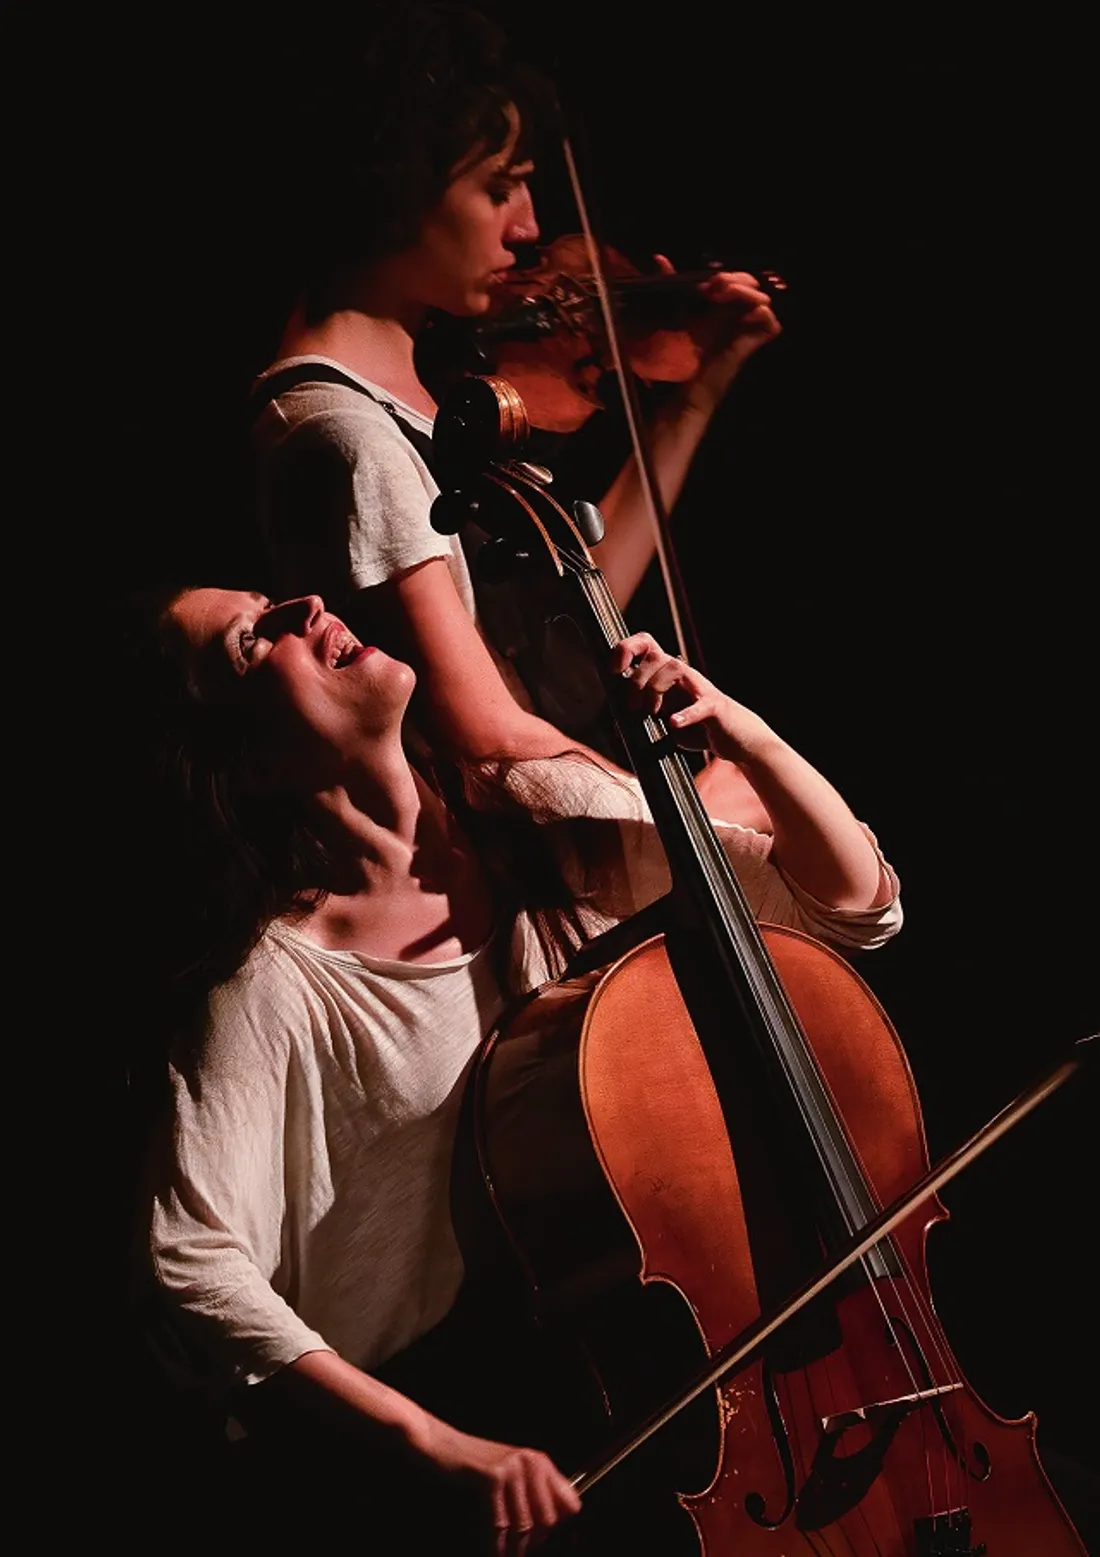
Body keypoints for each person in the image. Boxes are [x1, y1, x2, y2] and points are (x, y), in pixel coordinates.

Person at [132, 581, 902, 1551]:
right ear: (245, 763)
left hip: (610, 1377)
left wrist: (746, 737)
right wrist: (436, 1444)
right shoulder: (278, 986)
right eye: (253, 639)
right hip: (427, 1444)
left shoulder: (537, 827)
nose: (303, 604)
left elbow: (852, 906)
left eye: (275, 598)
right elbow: (190, 1265)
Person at [245, 2, 781, 819]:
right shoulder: (347, 434)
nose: (530, 228)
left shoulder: (430, 390)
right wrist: (681, 816)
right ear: (399, 185)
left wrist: (696, 396)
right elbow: (487, 735)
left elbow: (572, 605)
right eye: (500, 189)